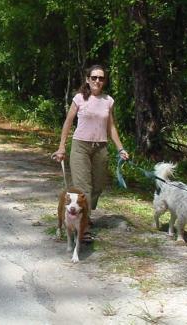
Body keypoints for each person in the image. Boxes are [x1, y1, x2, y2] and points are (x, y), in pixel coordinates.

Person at [52, 65, 129, 241]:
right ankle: (83, 228)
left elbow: (111, 127)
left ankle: (83, 213)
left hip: (100, 148)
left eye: (101, 78)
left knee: (98, 185)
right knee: (83, 187)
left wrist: (120, 148)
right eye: (94, 77)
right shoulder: (79, 98)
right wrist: (62, 147)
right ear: (87, 79)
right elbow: (68, 122)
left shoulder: (108, 100)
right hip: (80, 147)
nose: (97, 81)